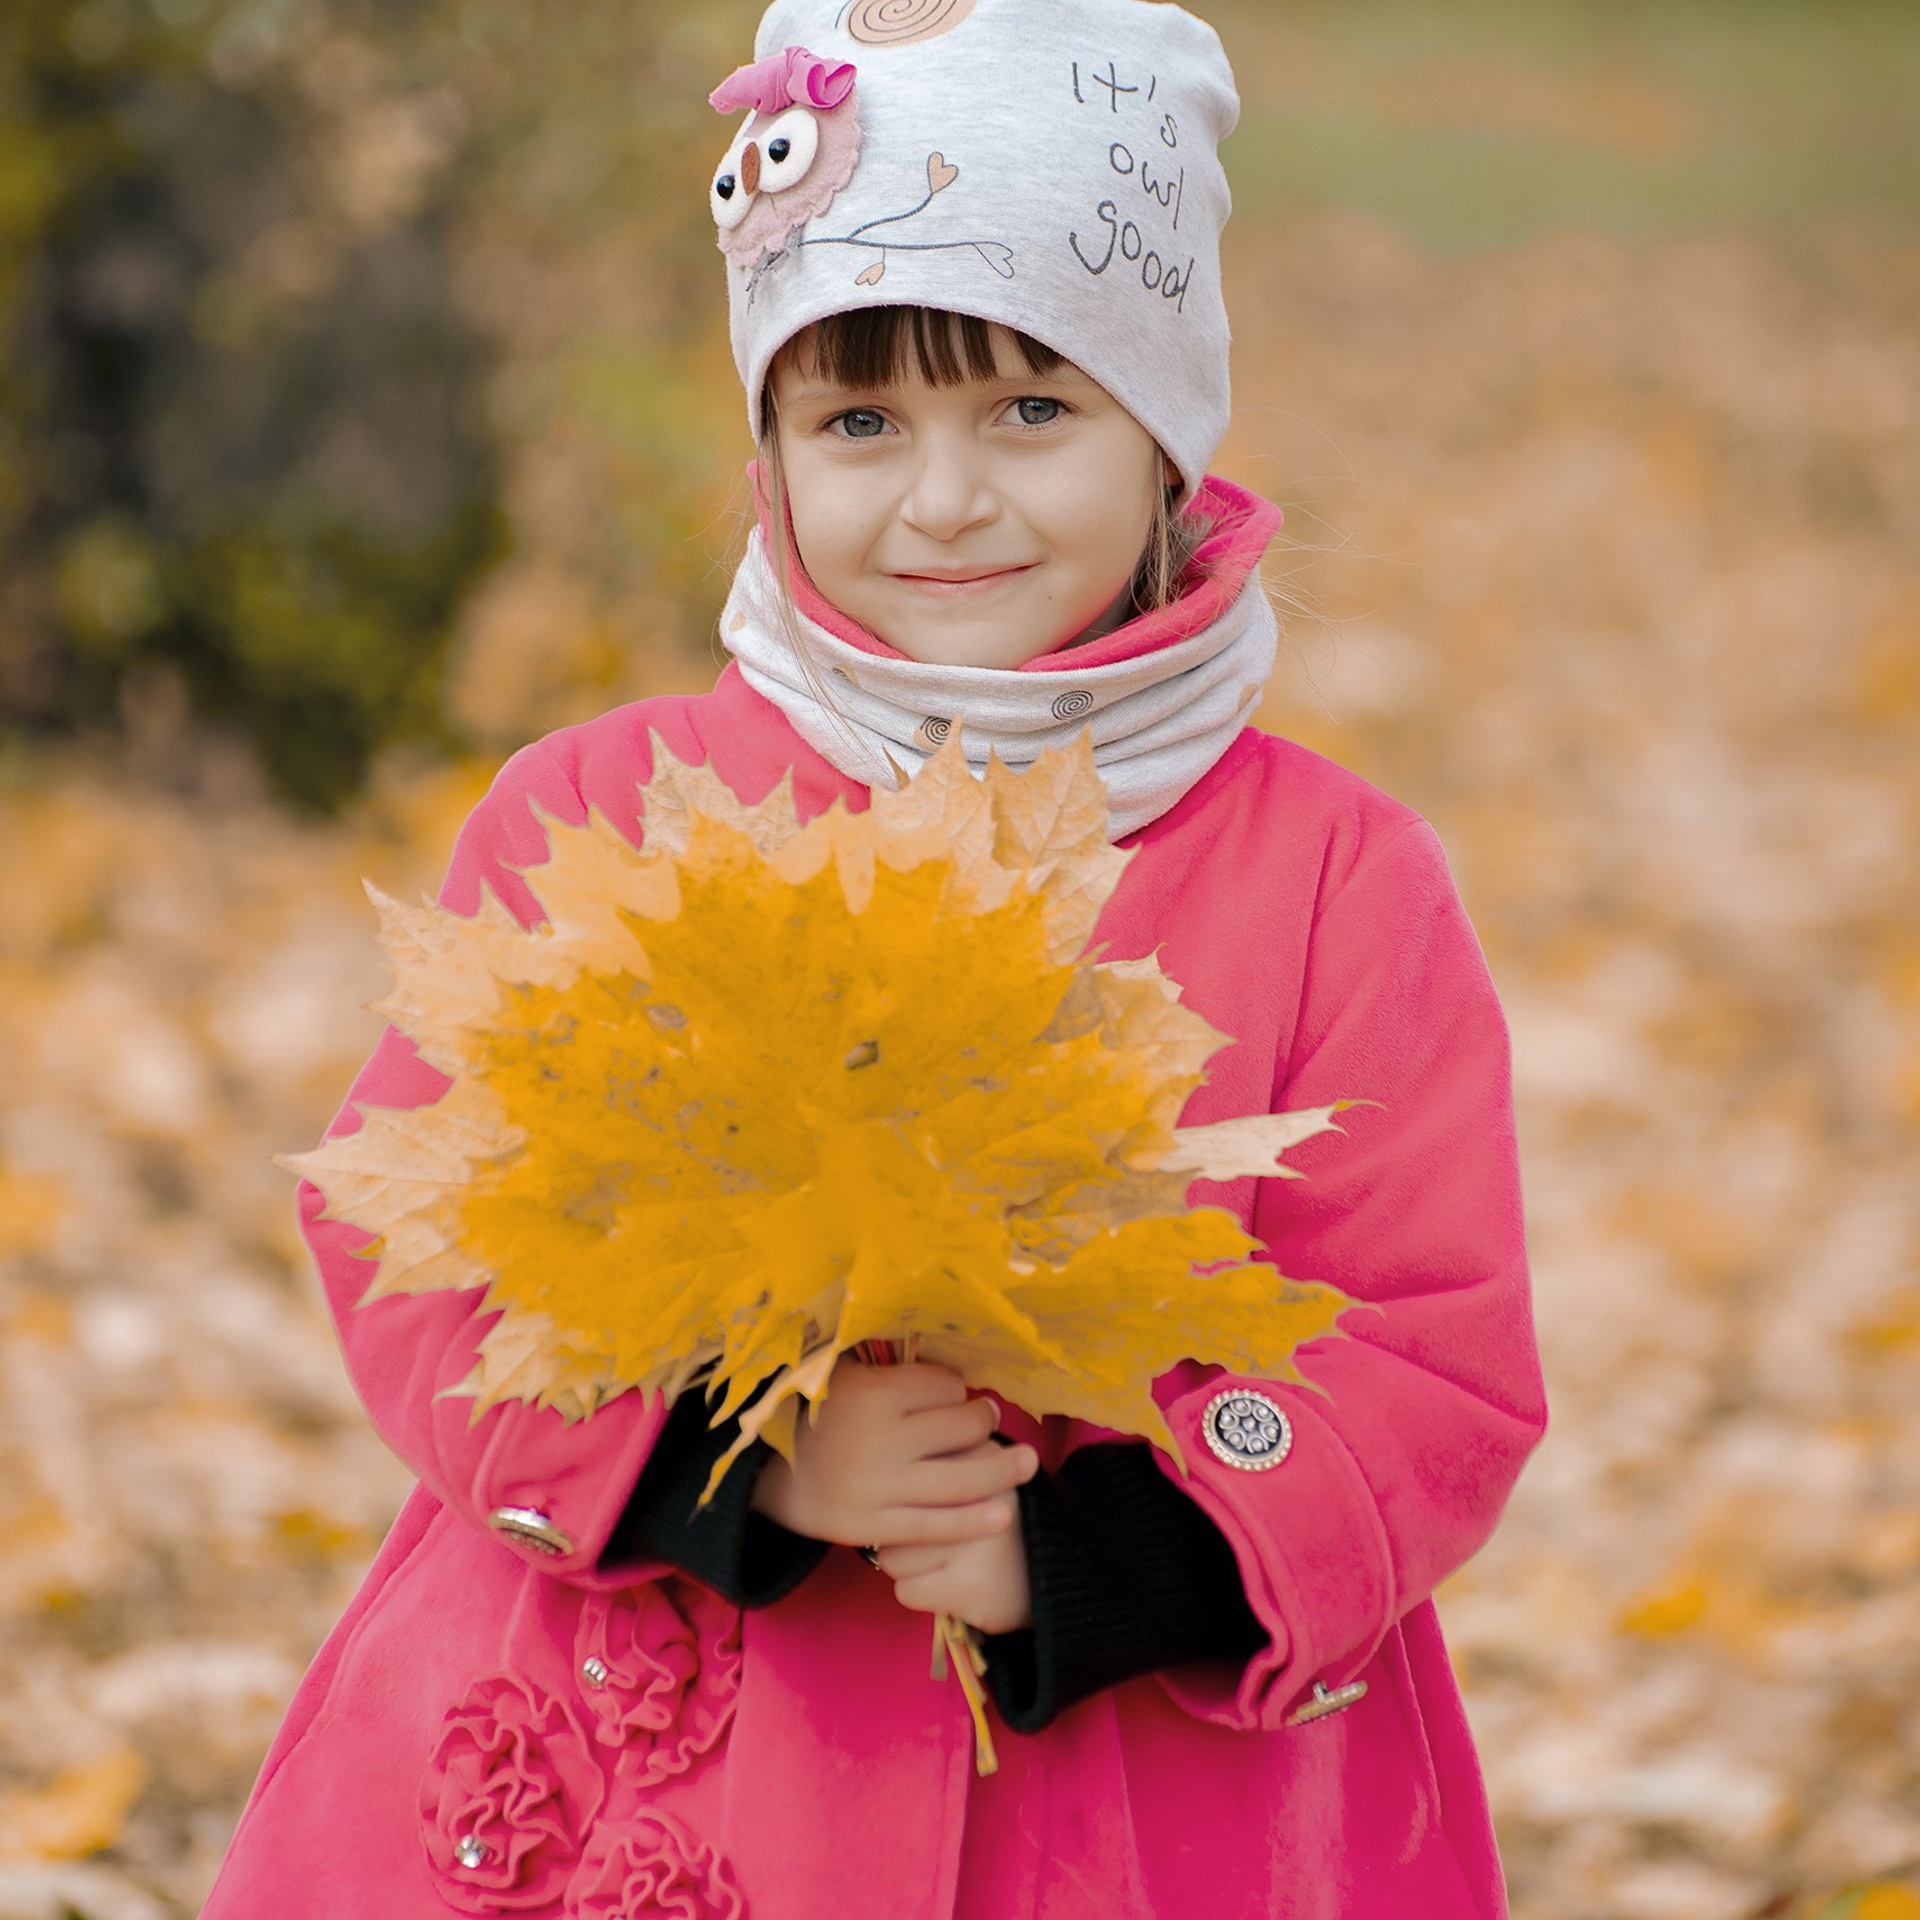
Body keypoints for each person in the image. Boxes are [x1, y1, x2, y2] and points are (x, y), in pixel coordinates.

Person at [204, 2, 1546, 1915]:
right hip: (642, 1752)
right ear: (768, 450)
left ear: (1161, 434)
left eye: (1031, 408)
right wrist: (745, 1461)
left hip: (1130, 1803)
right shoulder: (608, 817)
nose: (943, 499)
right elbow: (425, 1245)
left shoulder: (1333, 878)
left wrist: (1094, 1561)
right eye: (859, 421)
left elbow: (1429, 1352)